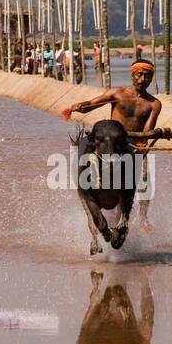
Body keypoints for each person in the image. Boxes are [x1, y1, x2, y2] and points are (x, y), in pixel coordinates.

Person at [63, 60, 162, 230]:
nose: (142, 79)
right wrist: (79, 107)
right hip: (110, 139)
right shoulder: (117, 93)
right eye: (139, 74)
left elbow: (147, 131)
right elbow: (93, 103)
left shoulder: (154, 104)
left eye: (147, 76)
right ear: (132, 75)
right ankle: (91, 200)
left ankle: (143, 217)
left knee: (145, 174)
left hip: (132, 142)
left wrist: (141, 148)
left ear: (151, 78)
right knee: (86, 163)